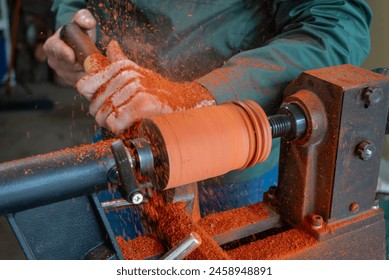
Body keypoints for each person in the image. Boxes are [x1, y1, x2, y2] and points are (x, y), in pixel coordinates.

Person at [43, 1, 372, 222]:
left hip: (230, 158)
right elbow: (72, 7)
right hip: (120, 138)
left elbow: (333, 28)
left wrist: (194, 97)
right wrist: (71, 34)